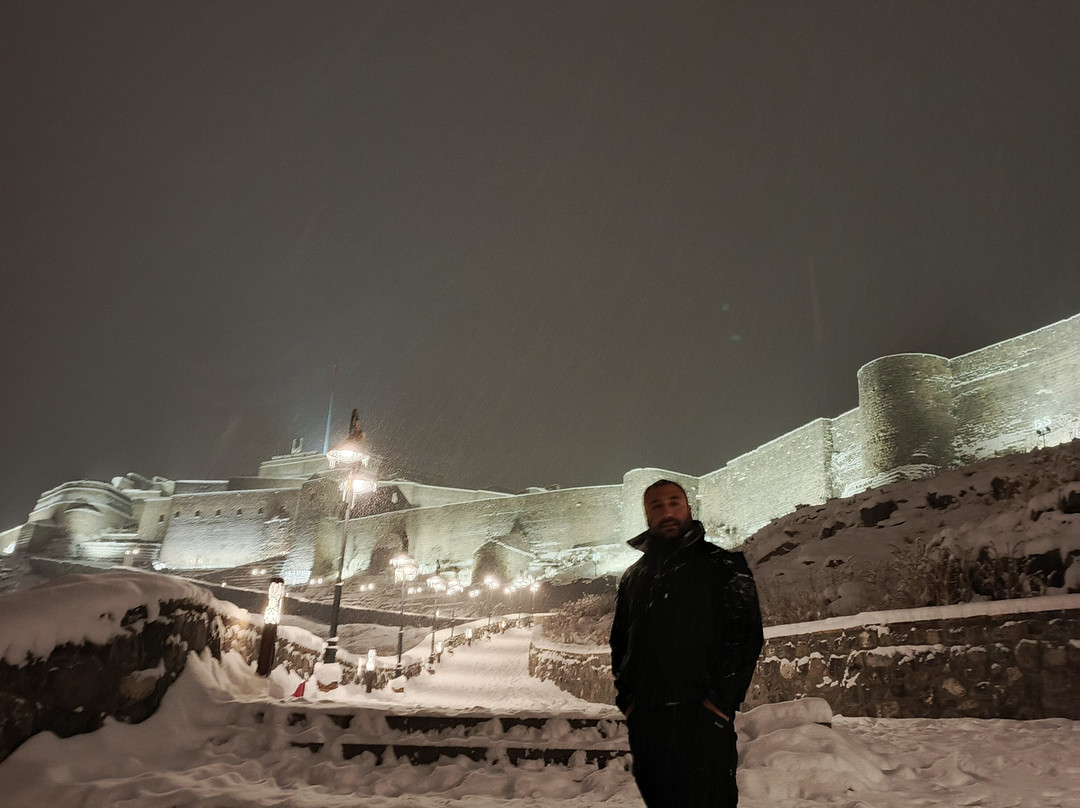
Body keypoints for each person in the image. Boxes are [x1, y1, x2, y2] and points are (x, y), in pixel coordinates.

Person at [610, 479, 763, 808]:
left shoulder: (723, 567)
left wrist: (720, 704)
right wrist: (630, 702)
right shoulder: (634, 578)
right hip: (649, 723)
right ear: (646, 515)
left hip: (703, 722)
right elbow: (620, 641)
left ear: (688, 508)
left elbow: (746, 637)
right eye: (657, 505)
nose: (667, 511)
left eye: (674, 502)